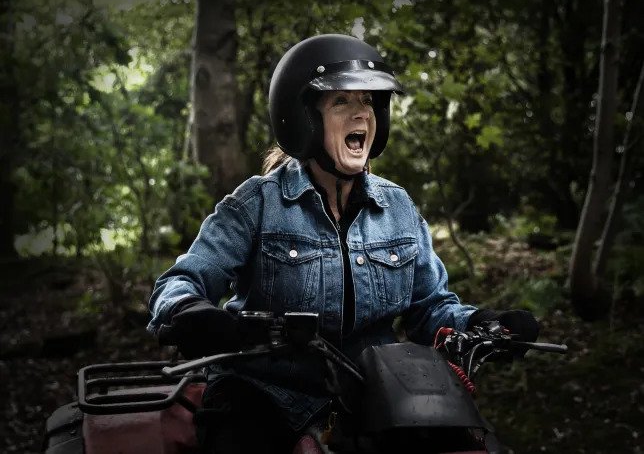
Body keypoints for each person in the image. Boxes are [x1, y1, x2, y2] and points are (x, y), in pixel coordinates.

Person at [147, 34, 539, 453]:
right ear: (302, 119)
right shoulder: (257, 204)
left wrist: (484, 323)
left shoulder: (398, 207)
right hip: (266, 391)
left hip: (379, 392)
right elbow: (179, 282)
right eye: (341, 103)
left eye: (369, 102)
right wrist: (193, 314)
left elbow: (430, 309)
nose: (361, 115)